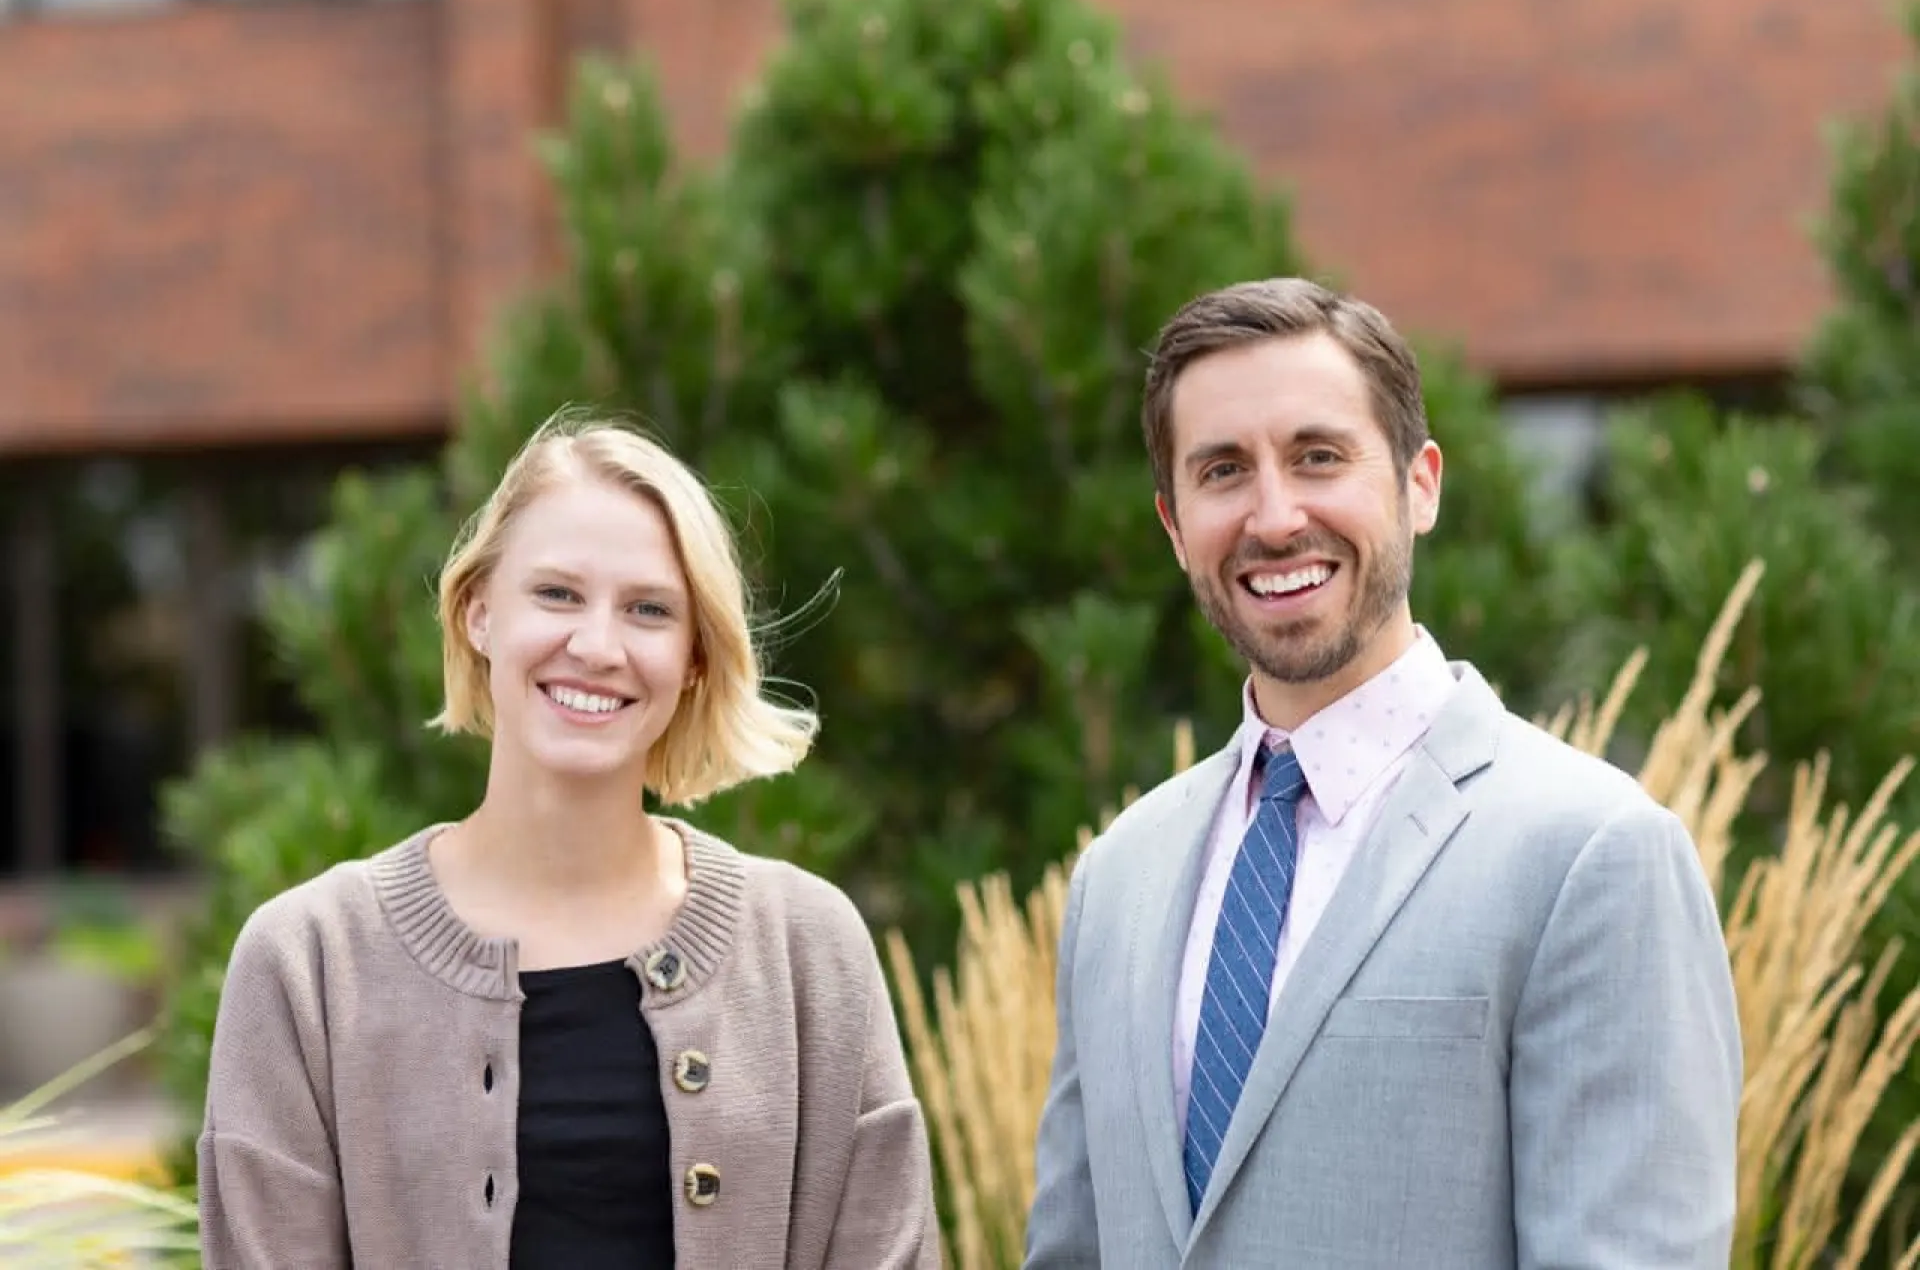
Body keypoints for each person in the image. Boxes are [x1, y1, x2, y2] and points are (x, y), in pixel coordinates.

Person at [1023, 277, 1741, 1267]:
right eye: (1224, 470)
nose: (1275, 517)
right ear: (1175, 524)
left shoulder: (1591, 855)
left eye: (1318, 457)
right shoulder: (1119, 878)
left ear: (1421, 483)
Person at [198, 413, 940, 1268]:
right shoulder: (310, 962)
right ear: (478, 613)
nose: (596, 646)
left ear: (695, 656)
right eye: (556, 594)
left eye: (649, 610)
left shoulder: (809, 950)